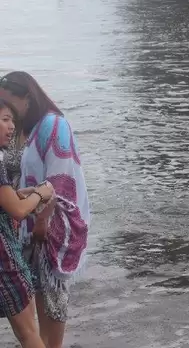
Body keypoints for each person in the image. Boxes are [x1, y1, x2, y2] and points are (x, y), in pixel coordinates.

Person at [0, 72, 91, 348]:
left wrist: (43, 221)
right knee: (33, 303)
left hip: (49, 228)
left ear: (28, 96)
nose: (8, 113)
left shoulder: (53, 125)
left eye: (10, 104)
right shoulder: (23, 128)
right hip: (23, 225)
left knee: (51, 299)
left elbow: (61, 180)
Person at [0, 98, 56, 348]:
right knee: (29, 334)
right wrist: (41, 194)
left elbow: (7, 200)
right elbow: (18, 211)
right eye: (4, 120)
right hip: (4, 259)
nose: (11, 127)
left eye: (12, 119)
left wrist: (24, 193)